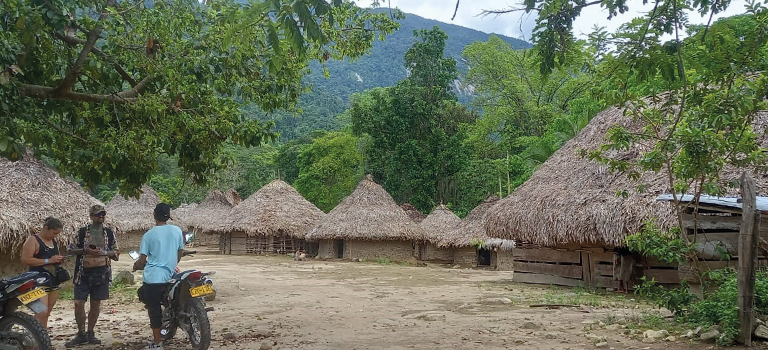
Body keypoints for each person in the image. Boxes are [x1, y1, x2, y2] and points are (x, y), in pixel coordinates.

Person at [65, 205, 119, 347]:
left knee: (95, 304)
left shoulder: (109, 233)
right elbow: (70, 250)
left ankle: (90, 332)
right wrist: (85, 250)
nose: (101, 216)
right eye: (98, 214)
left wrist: (104, 253)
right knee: (78, 303)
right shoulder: (82, 232)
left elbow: (116, 252)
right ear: (91, 216)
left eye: (103, 214)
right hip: (82, 274)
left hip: (102, 273)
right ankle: (81, 334)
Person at [133, 203, 184, 350]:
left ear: (154, 214)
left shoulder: (149, 235)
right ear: (169, 215)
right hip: (172, 274)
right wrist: (172, 263)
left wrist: (136, 266)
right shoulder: (176, 230)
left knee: (153, 308)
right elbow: (180, 252)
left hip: (154, 277)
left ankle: (157, 343)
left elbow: (142, 261)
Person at [20, 217, 67, 329]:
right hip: (37, 281)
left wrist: (58, 260)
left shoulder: (53, 241)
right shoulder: (33, 240)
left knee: (47, 313)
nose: (55, 236)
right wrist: (48, 261)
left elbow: (53, 258)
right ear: (46, 228)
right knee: (41, 312)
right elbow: (25, 260)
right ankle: (33, 339)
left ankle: (43, 339)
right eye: (54, 233)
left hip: (53, 281)